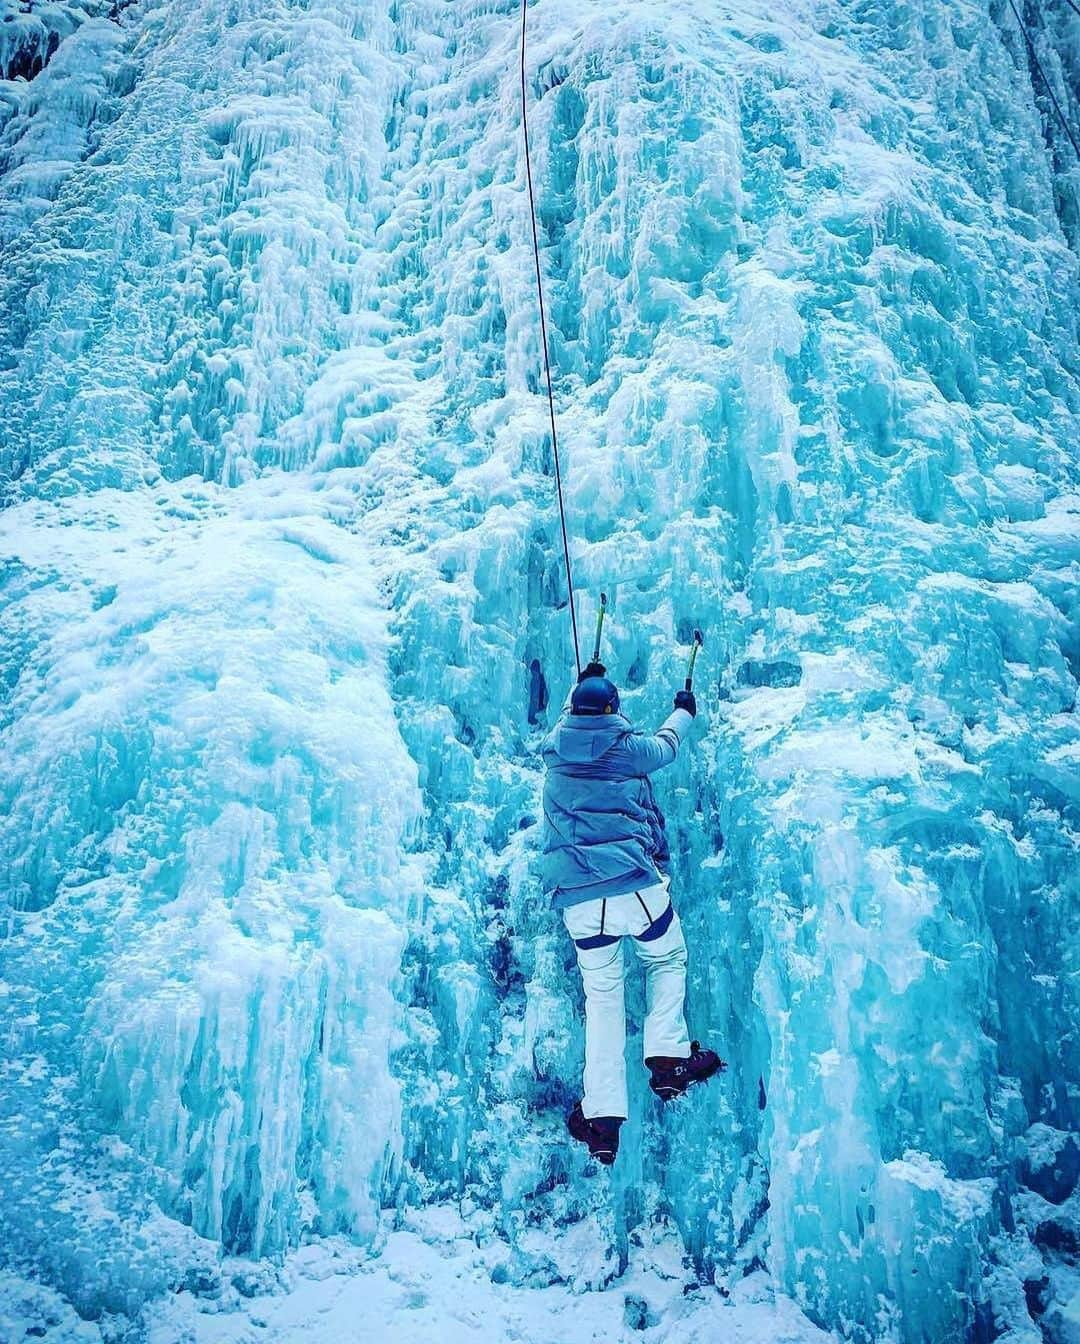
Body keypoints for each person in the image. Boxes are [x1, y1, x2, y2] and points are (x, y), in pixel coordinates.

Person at [541, 659, 725, 1165]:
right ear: (614, 712)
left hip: (582, 903)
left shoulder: (556, 754)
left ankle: (601, 1121)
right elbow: (666, 747)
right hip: (633, 889)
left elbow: (575, 721)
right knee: (666, 959)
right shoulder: (626, 751)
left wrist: (581, 689)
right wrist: (682, 711)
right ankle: (667, 1060)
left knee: (602, 1000)